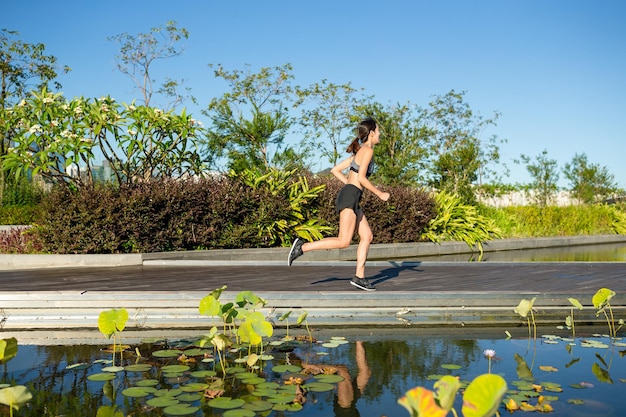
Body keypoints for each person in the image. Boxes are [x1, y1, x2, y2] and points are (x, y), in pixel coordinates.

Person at [287, 116, 390, 291]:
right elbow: (362, 178)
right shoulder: (367, 151)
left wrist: (350, 185)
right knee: (344, 241)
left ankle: (359, 277)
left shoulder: (360, 152)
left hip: (352, 195)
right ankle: (302, 246)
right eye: (378, 131)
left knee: (367, 236)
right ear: (372, 133)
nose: (380, 134)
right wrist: (379, 193)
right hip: (350, 196)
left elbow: (335, 170)